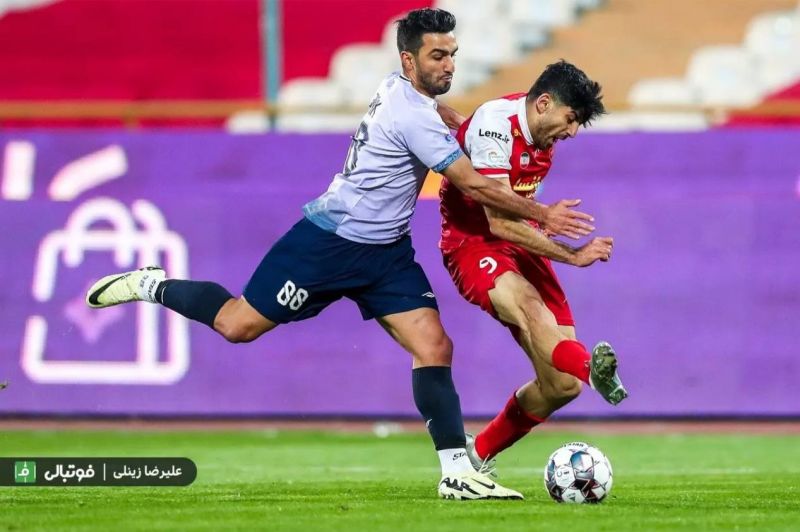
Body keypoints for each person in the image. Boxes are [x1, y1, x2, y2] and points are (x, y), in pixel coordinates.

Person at [85, 10, 593, 500]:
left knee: (434, 346)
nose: (449, 66)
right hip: (330, 242)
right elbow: (473, 185)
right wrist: (543, 214)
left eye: (452, 55)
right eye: (437, 56)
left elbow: (437, 118)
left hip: (386, 253)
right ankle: (152, 284)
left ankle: (457, 472)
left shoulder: (401, 91)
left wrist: (459, 122)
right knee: (236, 325)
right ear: (409, 60)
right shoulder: (411, 114)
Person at [438, 60, 629, 476]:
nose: (573, 132)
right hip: (473, 244)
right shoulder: (495, 124)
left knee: (562, 385)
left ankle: (475, 454)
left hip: (520, 241)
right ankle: (593, 372)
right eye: (571, 119)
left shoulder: (543, 141)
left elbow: (516, 213)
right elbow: (498, 222)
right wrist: (572, 253)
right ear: (544, 103)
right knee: (529, 307)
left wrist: (541, 222)